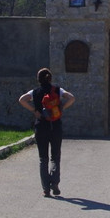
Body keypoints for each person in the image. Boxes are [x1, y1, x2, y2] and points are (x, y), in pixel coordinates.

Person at [18, 68, 75, 197]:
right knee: (55, 157)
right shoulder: (58, 90)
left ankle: (46, 189)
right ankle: (54, 182)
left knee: (43, 158)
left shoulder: (35, 92)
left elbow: (21, 99)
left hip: (41, 127)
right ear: (50, 78)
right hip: (56, 127)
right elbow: (72, 98)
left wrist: (34, 110)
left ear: (38, 79)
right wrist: (62, 107)